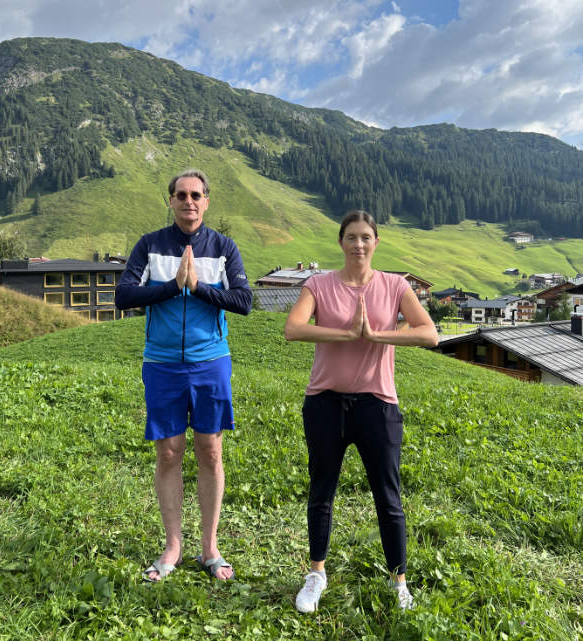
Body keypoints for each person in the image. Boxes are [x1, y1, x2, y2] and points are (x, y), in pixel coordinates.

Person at [284, 210, 438, 612]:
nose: (358, 244)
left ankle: (398, 580)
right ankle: (316, 573)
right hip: (324, 403)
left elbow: (429, 333)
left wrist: (375, 335)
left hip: (378, 405)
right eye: (351, 237)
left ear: (376, 242)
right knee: (321, 493)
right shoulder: (319, 284)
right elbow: (293, 328)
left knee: (388, 497)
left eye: (366, 237)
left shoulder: (394, 285)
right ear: (340, 242)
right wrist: (346, 334)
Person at [115, 169, 252, 581]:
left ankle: (210, 548)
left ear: (206, 201)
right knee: (169, 452)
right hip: (162, 363)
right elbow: (123, 296)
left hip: (211, 361)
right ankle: (173, 546)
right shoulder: (150, 246)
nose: (188, 201)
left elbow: (244, 300)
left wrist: (198, 288)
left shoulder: (223, 247)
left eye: (196, 195)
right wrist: (174, 286)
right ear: (170, 201)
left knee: (210, 450)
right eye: (181, 195)